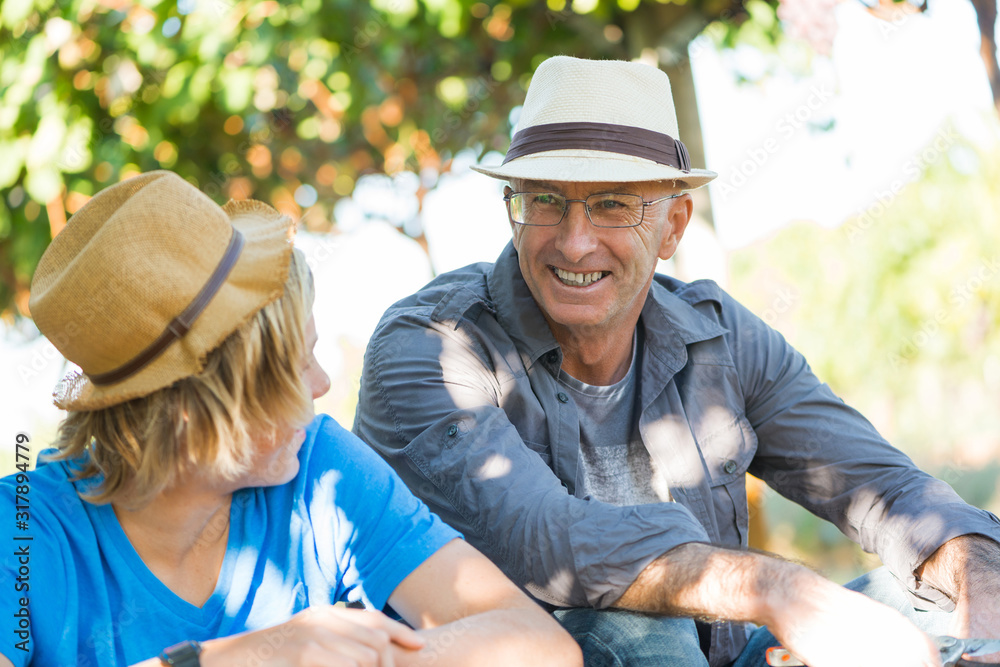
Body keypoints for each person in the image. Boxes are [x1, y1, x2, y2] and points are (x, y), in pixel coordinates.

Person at [353, 56, 1000, 667]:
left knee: (937, 589)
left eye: (612, 203)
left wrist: (981, 598)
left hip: (717, 653)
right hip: (545, 652)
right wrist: (778, 588)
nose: (575, 242)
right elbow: (545, 539)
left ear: (674, 224)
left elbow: (890, 491)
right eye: (546, 199)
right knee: (642, 631)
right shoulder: (430, 346)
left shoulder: (720, 336)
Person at [0, 171, 582, 667]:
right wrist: (252, 654)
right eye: (297, 362)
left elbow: (540, 645)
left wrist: (366, 655)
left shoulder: (319, 471)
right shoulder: (22, 530)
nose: (323, 383)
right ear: (197, 406)